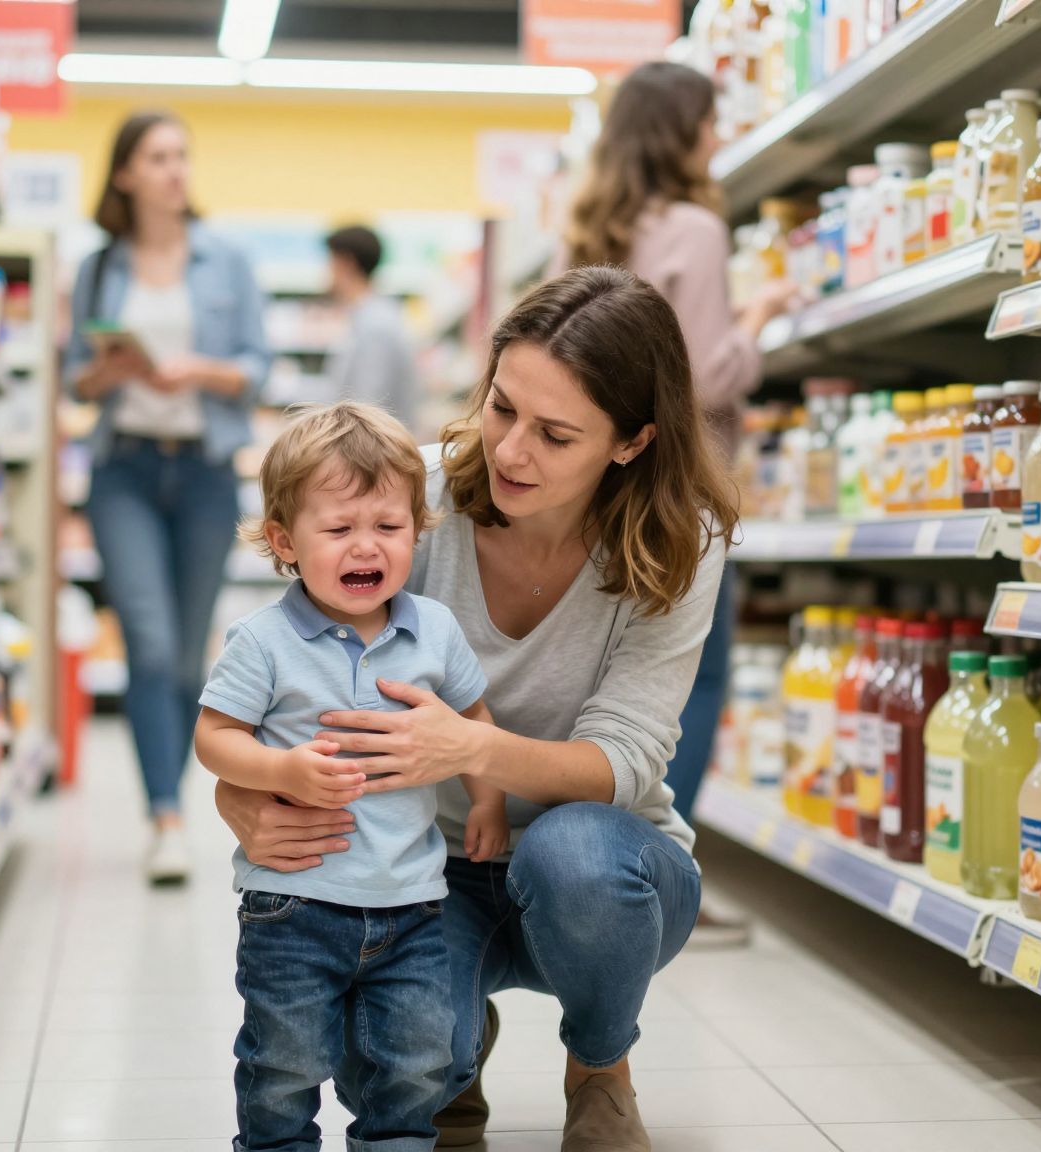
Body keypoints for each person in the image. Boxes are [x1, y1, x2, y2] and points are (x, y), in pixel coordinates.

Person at [213, 266, 737, 1152]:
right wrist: (247, 805)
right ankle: (459, 1052)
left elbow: (628, 760)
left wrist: (466, 747)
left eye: (555, 433)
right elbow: (279, 681)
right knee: (374, 1052)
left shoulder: (680, 538)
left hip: (608, 875)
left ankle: (600, 1066)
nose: (510, 452)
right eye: (502, 408)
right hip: (421, 874)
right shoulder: (404, 506)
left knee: (575, 852)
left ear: (631, 442)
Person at [195, 402, 507, 1151]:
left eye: (389, 528)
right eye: (338, 530)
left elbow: (476, 721)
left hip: (414, 905)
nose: (366, 547)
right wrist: (280, 769)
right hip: (294, 904)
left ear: (417, 529)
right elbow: (213, 738)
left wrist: (487, 800)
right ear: (284, 542)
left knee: (416, 1063)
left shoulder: (432, 629)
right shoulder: (263, 642)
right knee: (283, 1062)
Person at [562, 59, 797, 945]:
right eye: (708, 121)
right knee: (691, 677)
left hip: (595, 476)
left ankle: (598, 868)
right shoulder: (696, 228)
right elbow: (698, 374)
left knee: (614, 677)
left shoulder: (585, 225)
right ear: (682, 132)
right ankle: (660, 882)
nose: (717, 135)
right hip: (676, 483)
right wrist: (761, 320)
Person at [65, 110, 271, 885]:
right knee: (149, 644)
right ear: (125, 174)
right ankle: (166, 816)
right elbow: (73, 379)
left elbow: (257, 367)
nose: (175, 170)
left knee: (188, 654)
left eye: (182, 155)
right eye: (158, 157)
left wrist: (197, 371)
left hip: (207, 472)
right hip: (125, 473)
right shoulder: (96, 268)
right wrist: (108, 375)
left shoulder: (228, 261)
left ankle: (177, 797)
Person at [325, 224, 422, 431]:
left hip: (370, 455)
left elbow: (365, 410)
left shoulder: (376, 326)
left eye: (330, 261)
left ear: (346, 263)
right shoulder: (370, 319)